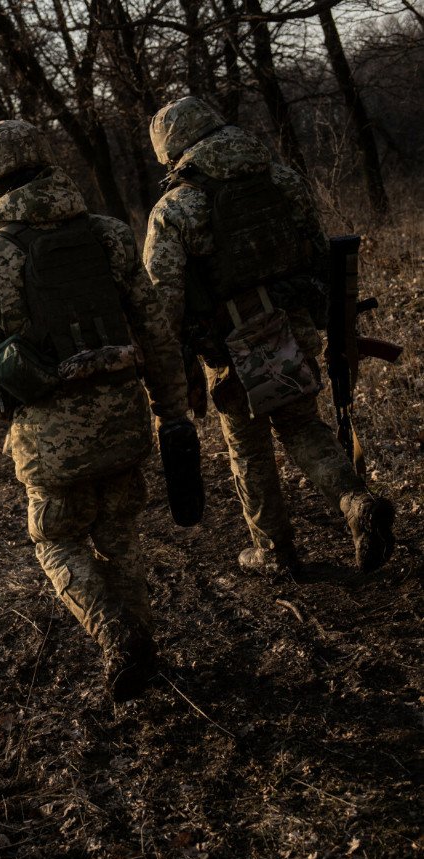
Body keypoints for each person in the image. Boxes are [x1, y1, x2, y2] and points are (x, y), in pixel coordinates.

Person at [0, 120, 190, 702]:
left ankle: (117, 638)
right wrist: (171, 406)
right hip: (125, 422)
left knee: (55, 538)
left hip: (50, 443)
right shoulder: (110, 235)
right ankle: (145, 652)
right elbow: (155, 329)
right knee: (120, 535)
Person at [144, 96, 395, 579]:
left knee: (248, 447)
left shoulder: (176, 207)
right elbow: (319, 254)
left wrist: (171, 365)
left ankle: (273, 553)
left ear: (172, 150)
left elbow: (162, 300)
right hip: (291, 327)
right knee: (302, 426)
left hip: (230, 342)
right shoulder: (283, 179)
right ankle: (357, 503)